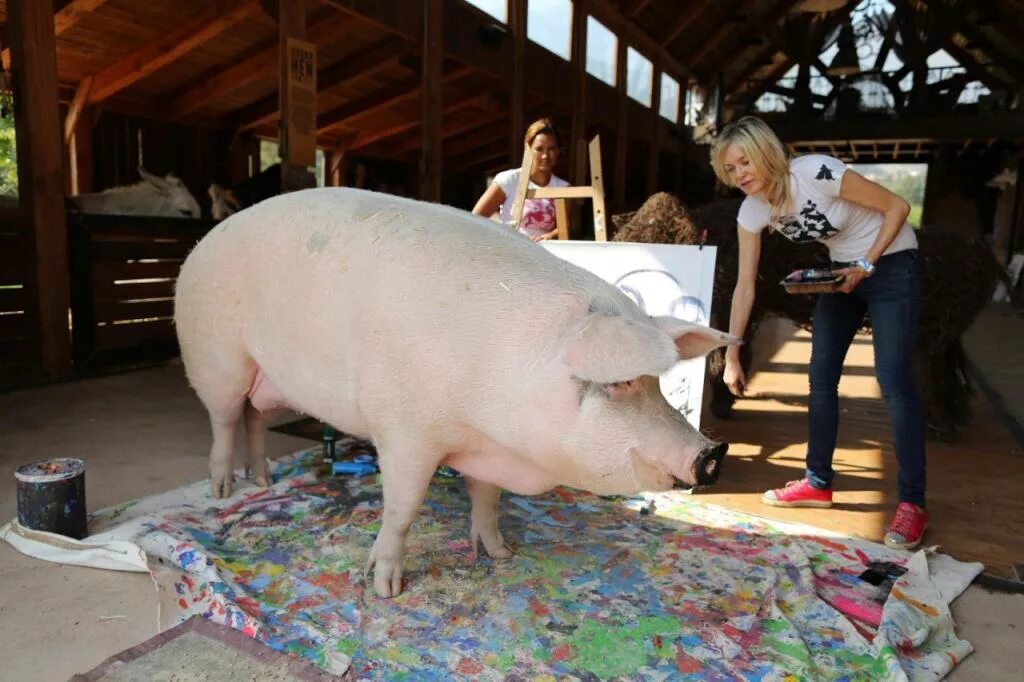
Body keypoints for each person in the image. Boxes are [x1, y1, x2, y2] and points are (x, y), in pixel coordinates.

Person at [710, 116, 928, 550]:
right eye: (730, 170)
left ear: (765, 151)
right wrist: (732, 355)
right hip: (842, 271)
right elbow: (744, 285)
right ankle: (818, 481)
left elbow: (897, 208)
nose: (740, 175)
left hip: (891, 261)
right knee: (821, 376)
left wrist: (866, 264)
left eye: (744, 161)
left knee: (893, 381)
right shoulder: (752, 210)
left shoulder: (814, 173)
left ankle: (912, 504)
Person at [472, 118, 569, 241]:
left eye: (551, 149)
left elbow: (565, 228)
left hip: (544, 255)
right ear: (528, 149)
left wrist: (549, 236)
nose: (545, 156)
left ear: (558, 151)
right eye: (539, 149)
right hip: (510, 252)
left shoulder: (563, 188)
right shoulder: (509, 180)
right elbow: (476, 218)